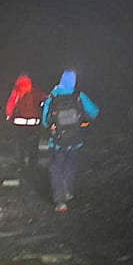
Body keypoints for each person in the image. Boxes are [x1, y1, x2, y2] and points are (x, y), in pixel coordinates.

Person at [41, 69, 99, 213]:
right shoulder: (79, 96)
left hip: (56, 141)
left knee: (56, 168)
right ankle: (68, 191)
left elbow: (44, 121)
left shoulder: (52, 97)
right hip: (75, 140)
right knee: (71, 164)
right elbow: (94, 112)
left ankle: (60, 201)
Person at [5, 73, 47, 171]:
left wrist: (8, 115)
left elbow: (10, 104)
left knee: (20, 145)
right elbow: (44, 99)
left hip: (19, 122)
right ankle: (33, 165)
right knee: (33, 145)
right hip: (34, 123)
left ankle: (21, 164)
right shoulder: (35, 90)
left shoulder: (17, 90)